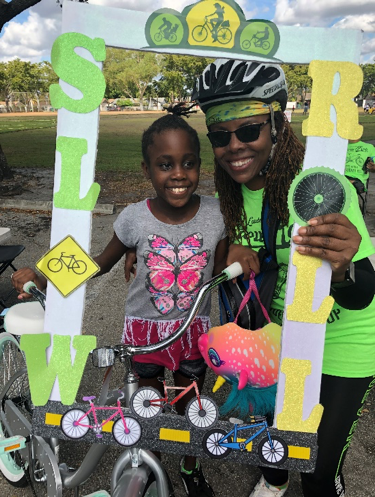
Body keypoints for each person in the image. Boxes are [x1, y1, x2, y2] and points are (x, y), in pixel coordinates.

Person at [12, 105, 254, 497]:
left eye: (188, 163)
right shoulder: (133, 219)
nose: (178, 174)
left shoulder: (215, 214)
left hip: (193, 331)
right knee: (147, 404)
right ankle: (150, 459)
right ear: (146, 170)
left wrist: (238, 253)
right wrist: (44, 275)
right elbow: (99, 264)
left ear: (200, 166)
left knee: (191, 405)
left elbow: (222, 265)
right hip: (143, 333)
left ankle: (190, 467)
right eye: (165, 164)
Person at [192, 59, 375, 497]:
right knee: (272, 439)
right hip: (276, 339)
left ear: (277, 123)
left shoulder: (319, 186)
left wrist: (345, 266)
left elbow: (363, 295)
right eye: (220, 136)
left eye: (249, 131)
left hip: (342, 344)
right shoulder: (228, 195)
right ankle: (272, 482)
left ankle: (323, 477)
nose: (234, 146)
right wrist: (224, 255)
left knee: (314, 472)